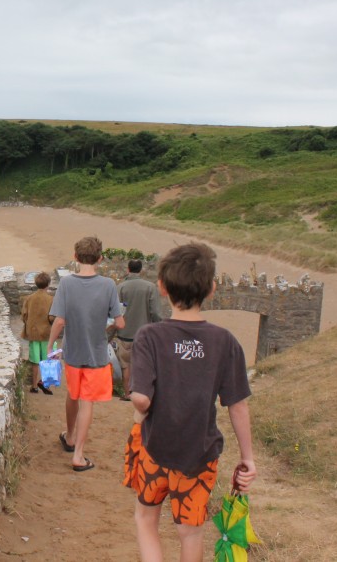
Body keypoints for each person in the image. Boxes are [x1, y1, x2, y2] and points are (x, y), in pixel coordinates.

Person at [124, 242, 257, 562]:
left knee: (146, 520)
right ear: (211, 289)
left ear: (162, 287)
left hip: (156, 450)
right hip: (200, 454)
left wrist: (140, 403)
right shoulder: (224, 341)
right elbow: (237, 403)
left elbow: (141, 399)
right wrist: (247, 458)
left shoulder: (150, 337)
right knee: (191, 531)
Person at [48, 236, 125, 472]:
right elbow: (120, 323)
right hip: (97, 354)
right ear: (100, 259)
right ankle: (79, 455)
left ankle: (69, 436)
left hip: (72, 352)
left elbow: (59, 320)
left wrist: (51, 346)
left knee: (73, 394)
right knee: (87, 401)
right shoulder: (108, 285)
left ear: (75, 257)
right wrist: (106, 326)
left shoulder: (67, 284)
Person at [108, 259, 161, 401]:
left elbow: (115, 313)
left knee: (126, 366)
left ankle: (127, 394)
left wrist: (109, 335)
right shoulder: (150, 287)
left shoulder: (121, 287)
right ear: (141, 270)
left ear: (128, 269)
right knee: (144, 366)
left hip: (124, 334)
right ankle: (144, 394)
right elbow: (155, 312)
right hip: (144, 335)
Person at [21, 271, 54, 394]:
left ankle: (34, 386)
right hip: (47, 334)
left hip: (33, 334)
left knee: (35, 360)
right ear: (48, 284)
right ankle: (45, 384)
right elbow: (52, 317)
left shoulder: (29, 298)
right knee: (49, 360)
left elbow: (24, 315)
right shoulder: (51, 299)